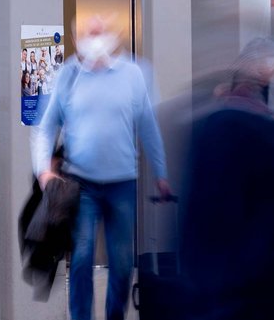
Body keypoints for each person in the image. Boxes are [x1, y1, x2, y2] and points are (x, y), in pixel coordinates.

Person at [31, 17, 171, 320]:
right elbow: (46, 127)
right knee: (81, 258)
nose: (94, 39)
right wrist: (43, 169)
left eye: (99, 32)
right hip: (81, 185)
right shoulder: (68, 75)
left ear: (112, 36)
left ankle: (114, 315)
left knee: (122, 262)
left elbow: (148, 126)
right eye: (88, 34)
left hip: (123, 183)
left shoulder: (133, 74)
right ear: (76, 39)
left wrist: (161, 173)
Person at [181, 37, 274, 319]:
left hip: (216, 277)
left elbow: (194, 210)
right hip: (258, 278)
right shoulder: (271, 132)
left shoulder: (207, 128)